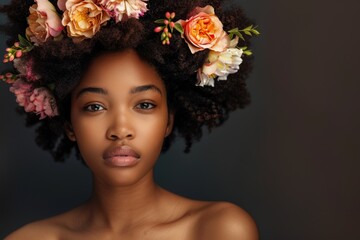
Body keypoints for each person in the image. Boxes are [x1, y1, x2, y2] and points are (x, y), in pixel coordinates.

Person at [1, 0, 260, 239]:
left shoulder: (218, 230)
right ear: (69, 124)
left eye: (145, 104)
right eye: (94, 107)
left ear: (168, 120)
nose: (120, 129)